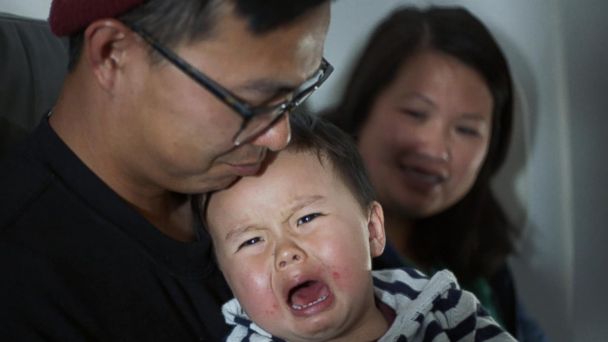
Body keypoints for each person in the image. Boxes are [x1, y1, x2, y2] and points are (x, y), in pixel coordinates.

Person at [0, 0, 333, 340]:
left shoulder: (294, 174)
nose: (280, 137)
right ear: (112, 54)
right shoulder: (22, 288)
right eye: (250, 103)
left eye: (291, 97)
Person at [325, 6, 546, 341]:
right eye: (415, 113)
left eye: (467, 130)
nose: (436, 148)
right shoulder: (315, 253)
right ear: (363, 107)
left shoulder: (481, 257)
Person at [203, 113, 516, 341]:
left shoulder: (447, 312)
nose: (285, 252)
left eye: (306, 219)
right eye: (252, 241)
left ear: (372, 231)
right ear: (226, 276)